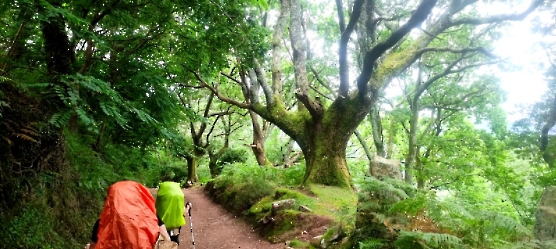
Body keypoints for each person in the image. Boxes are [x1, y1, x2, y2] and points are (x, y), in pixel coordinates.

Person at [85, 181, 171, 249]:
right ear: (138, 197)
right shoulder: (151, 217)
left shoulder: (103, 222)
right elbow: (167, 241)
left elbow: (95, 245)